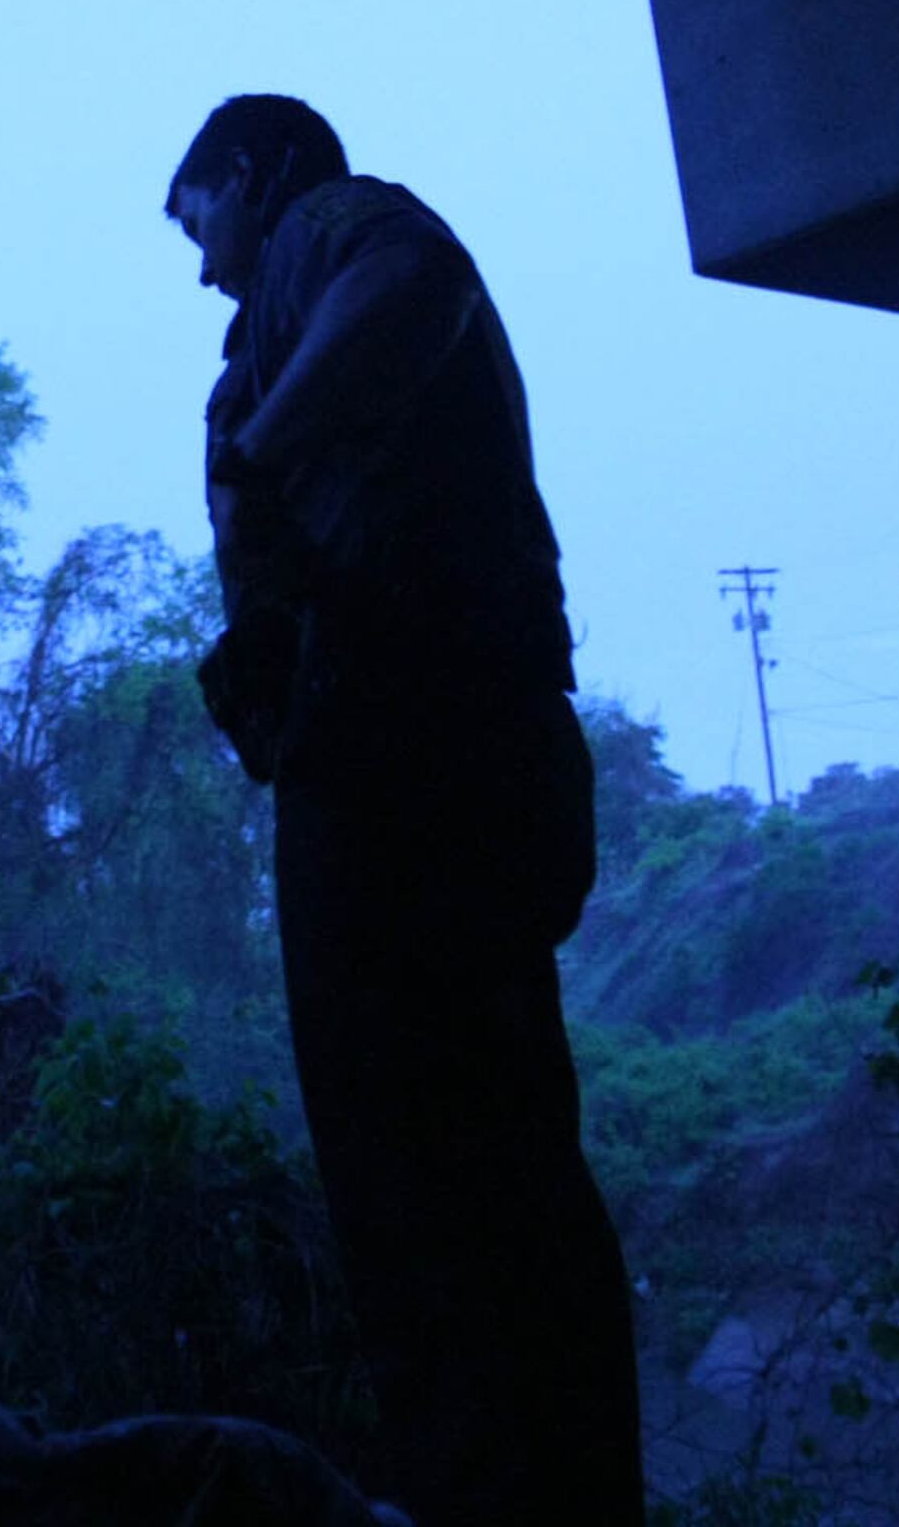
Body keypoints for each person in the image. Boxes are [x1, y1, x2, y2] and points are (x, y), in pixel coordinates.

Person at [164, 94, 644, 1525]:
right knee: (464, 1172)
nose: (203, 268)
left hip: (409, 750)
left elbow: (410, 285)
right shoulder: (280, 309)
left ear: (253, 177)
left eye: (201, 222)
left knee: (434, 1188)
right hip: (420, 752)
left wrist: (261, 457)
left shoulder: (335, 224)